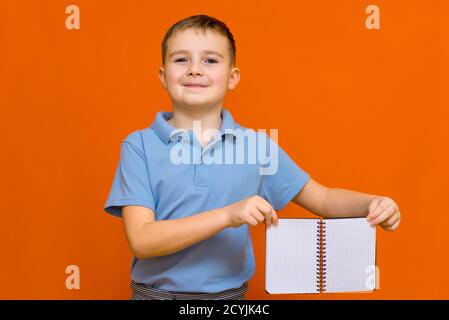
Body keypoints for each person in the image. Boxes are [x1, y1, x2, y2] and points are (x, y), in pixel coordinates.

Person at [104, 14, 401, 300]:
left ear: (232, 77)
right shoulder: (139, 146)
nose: (195, 69)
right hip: (155, 297)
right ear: (162, 75)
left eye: (210, 60)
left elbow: (322, 199)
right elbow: (141, 240)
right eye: (181, 59)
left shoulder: (256, 147)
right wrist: (228, 215)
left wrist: (371, 204)